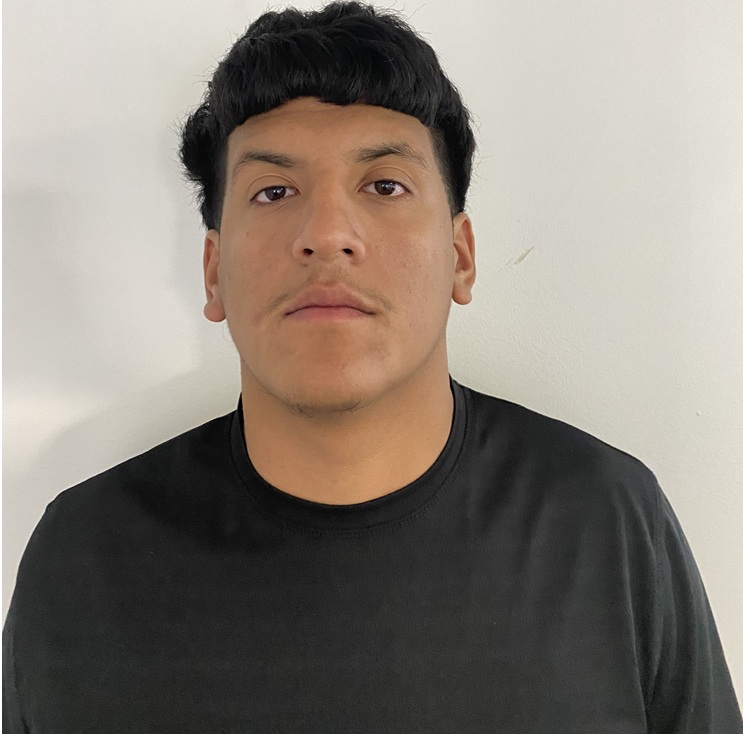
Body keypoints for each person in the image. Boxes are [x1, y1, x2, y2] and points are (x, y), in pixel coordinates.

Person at [3, 2, 741, 731]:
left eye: (384, 185)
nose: (327, 234)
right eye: (273, 191)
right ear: (213, 271)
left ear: (460, 256)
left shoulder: (607, 524)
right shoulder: (83, 560)